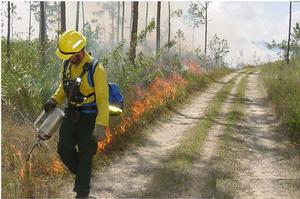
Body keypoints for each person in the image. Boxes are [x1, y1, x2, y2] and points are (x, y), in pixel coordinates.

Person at [43, 30, 109, 198]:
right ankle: (83, 175)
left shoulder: (96, 69)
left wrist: (101, 124)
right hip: (71, 115)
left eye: (70, 56)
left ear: (79, 51)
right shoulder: (67, 65)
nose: (67, 59)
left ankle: (82, 192)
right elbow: (64, 88)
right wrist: (54, 99)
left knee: (86, 154)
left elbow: (102, 99)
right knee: (64, 149)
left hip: (90, 117)